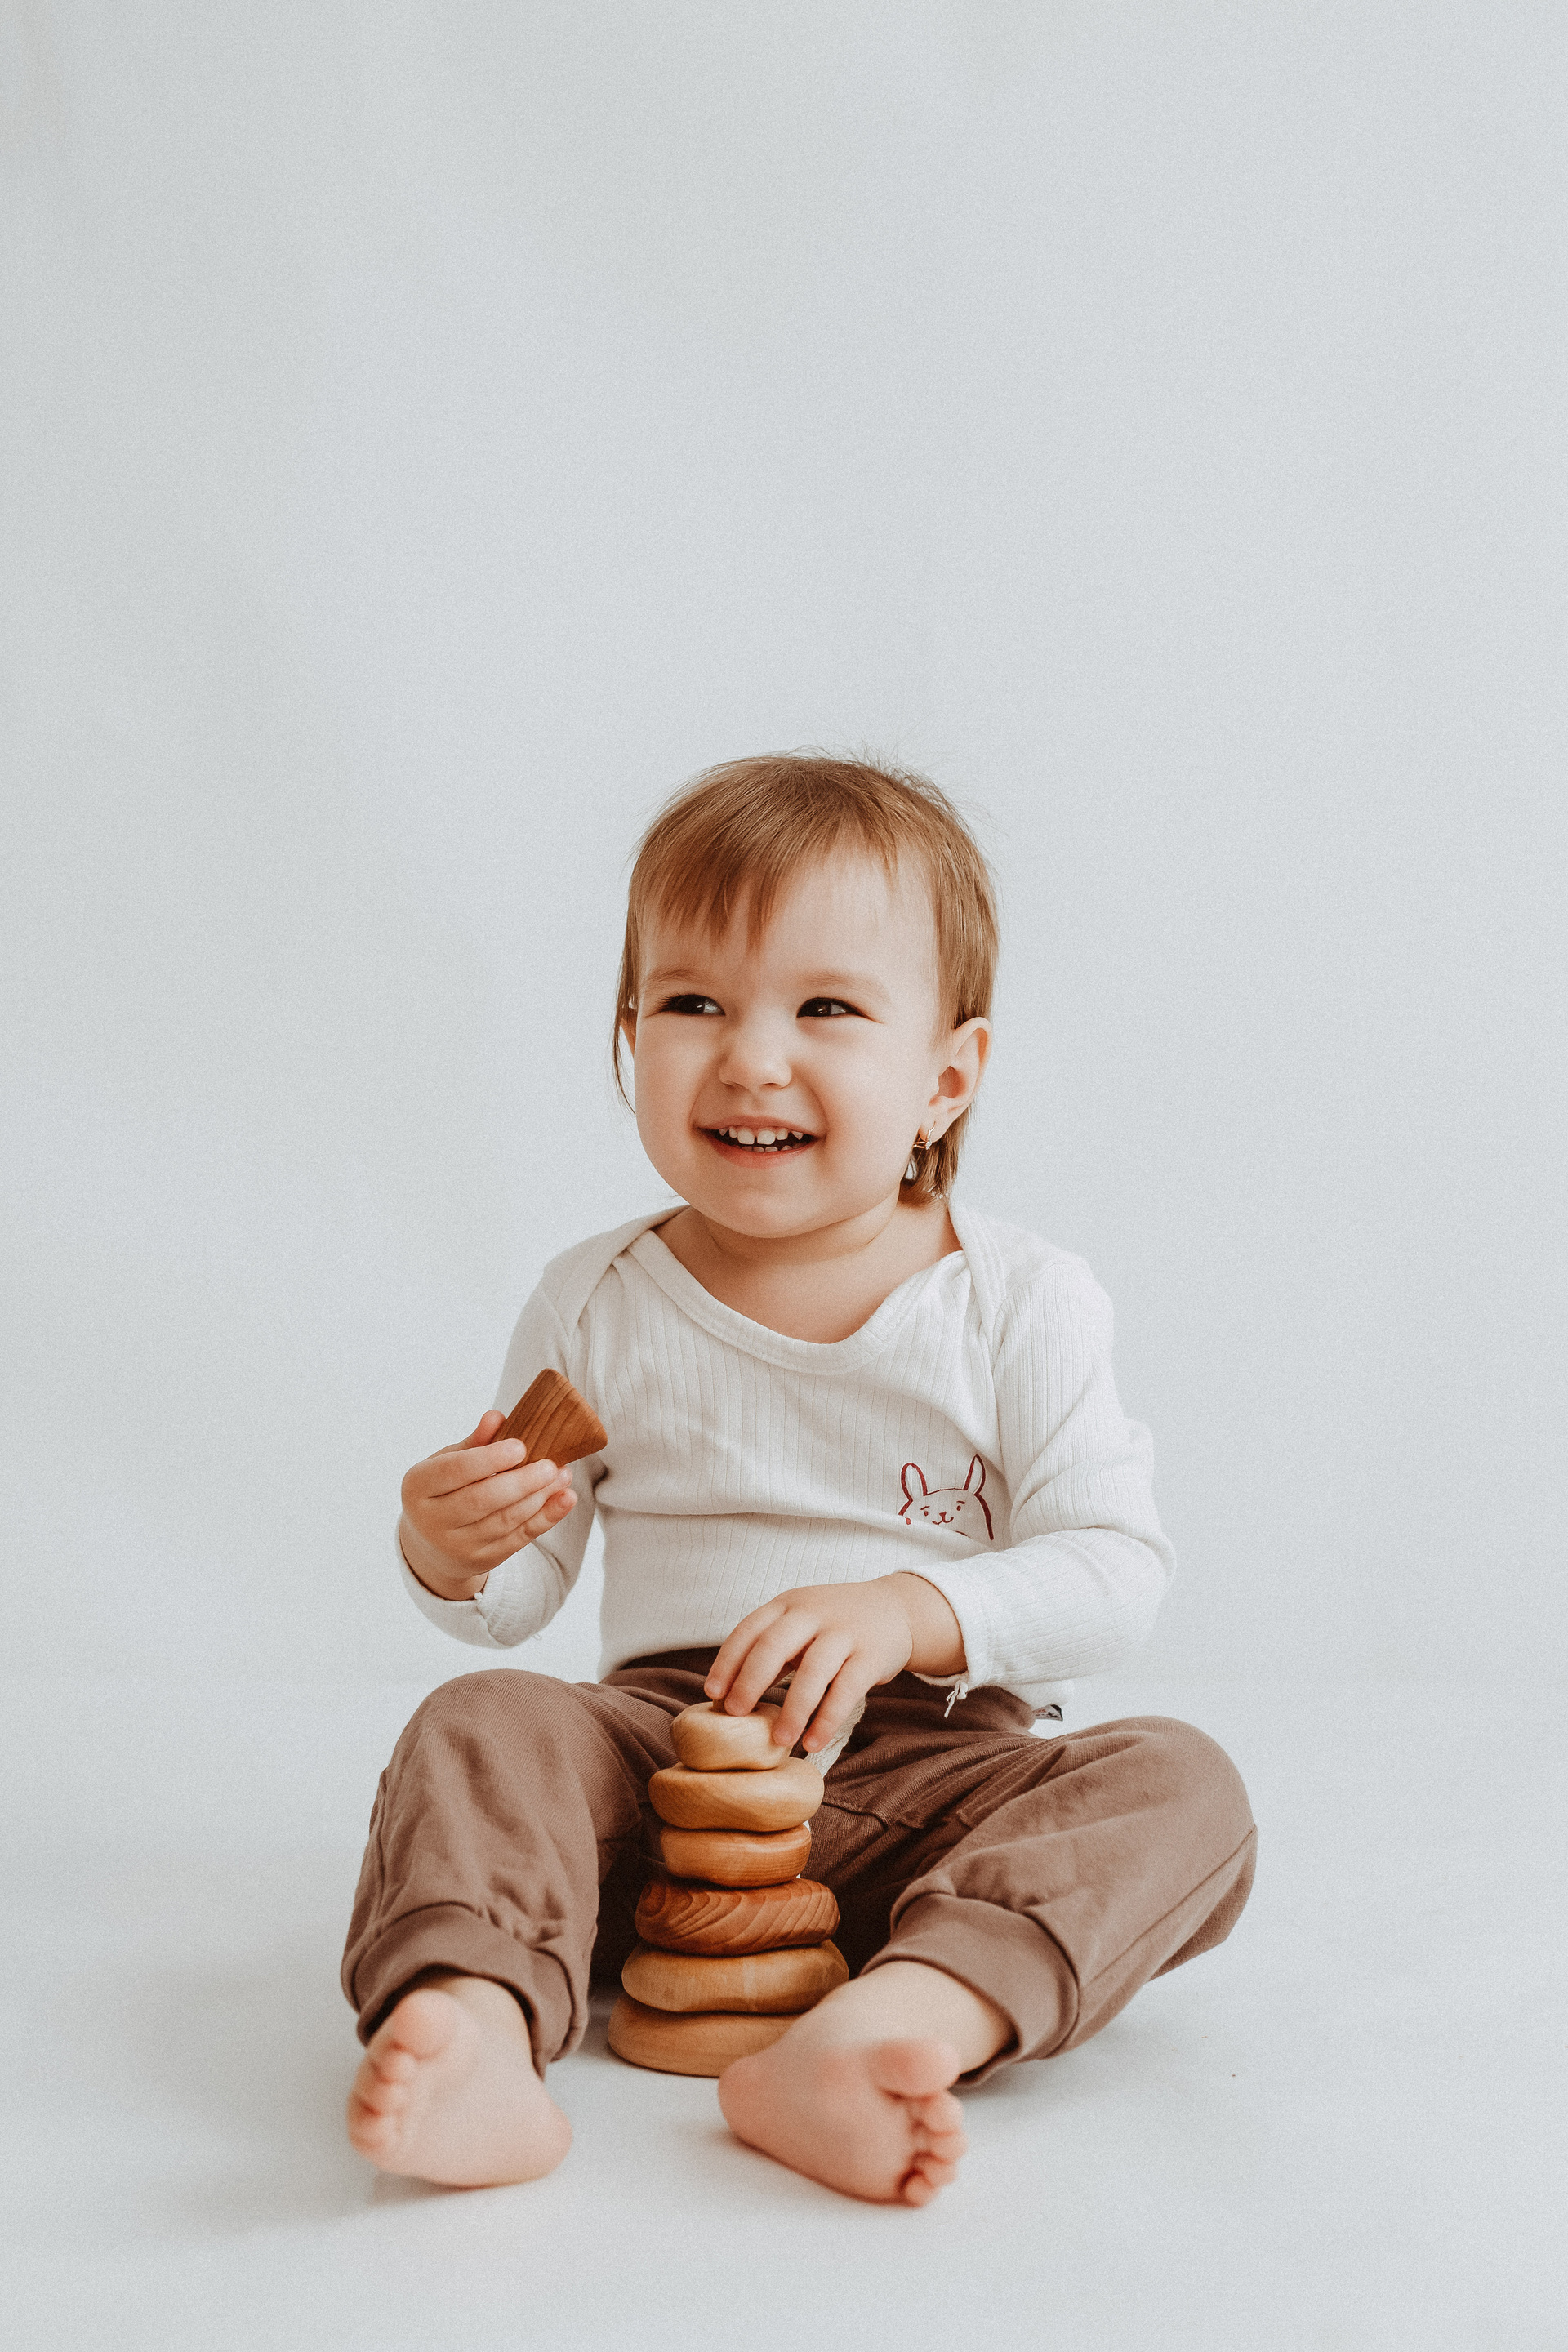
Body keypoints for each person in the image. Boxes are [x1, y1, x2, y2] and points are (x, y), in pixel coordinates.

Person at [341, 752, 1256, 2205]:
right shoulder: (597, 1302)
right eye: (692, 1005)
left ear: (946, 1077)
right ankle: (477, 2020)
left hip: (935, 1770)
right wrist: (451, 1548)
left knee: (1182, 1786)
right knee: (482, 1724)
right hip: (665, 1770)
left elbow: (1113, 1571)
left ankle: (898, 2023)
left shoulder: (1017, 1301)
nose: (752, 1058)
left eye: (826, 1009)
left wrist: (909, 1610)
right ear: (630, 1036)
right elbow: (519, 1595)